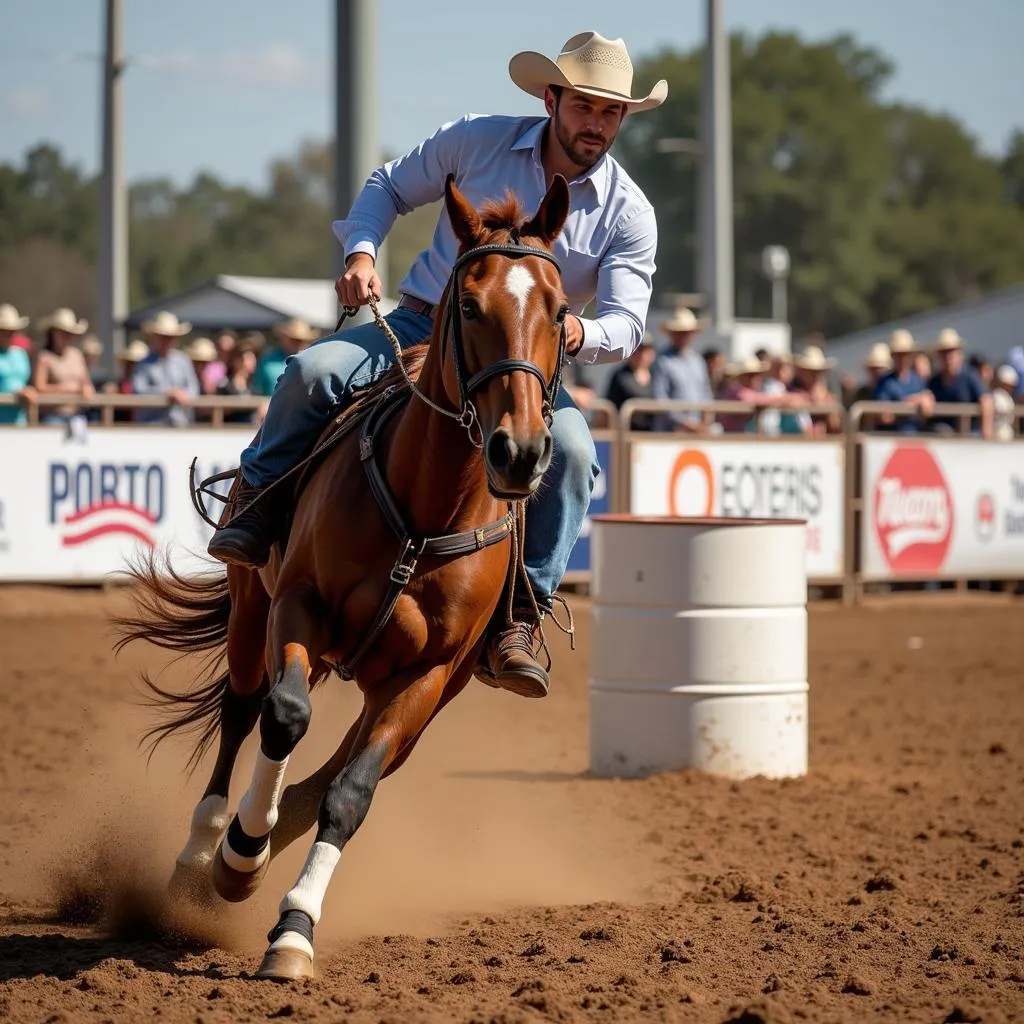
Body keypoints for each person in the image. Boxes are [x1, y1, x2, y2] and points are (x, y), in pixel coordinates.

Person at [207, 30, 668, 699]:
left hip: (528, 363)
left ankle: (519, 615)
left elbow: (627, 322)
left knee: (571, 450)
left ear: (622, 118)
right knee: (311, 373)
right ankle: (256, 504)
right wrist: (361, 254)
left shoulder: (630, 213)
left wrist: (577, 331)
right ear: (552, 98)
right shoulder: (475, 140)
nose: (596, 123)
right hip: (422, 322)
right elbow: (388, 186)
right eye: (584, 107)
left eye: (610, 111)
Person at [32, 307, 94, 424]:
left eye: (69, 333)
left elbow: (86, 382)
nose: (67, 336)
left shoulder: (77, 355)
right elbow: (39, 387)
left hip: (77, 415)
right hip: (52, 416)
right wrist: (68, 389)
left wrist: (86, 389)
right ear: (53, 333)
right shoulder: (44, 357)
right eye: (63, 333)